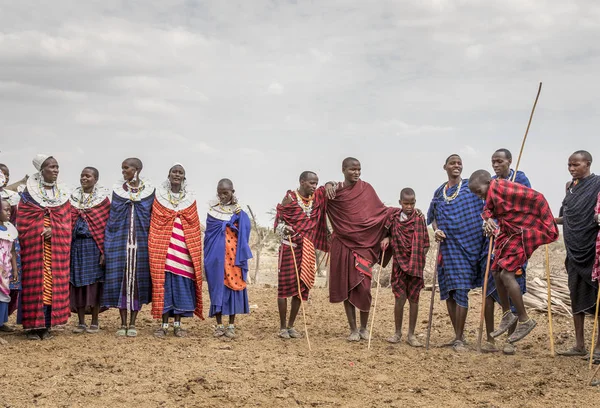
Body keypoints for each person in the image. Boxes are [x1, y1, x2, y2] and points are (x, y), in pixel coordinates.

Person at [469, 169, 558, 344]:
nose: (479, 196)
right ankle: (507, 314)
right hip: (509, 233)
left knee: (506, 274)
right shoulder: (492, 194)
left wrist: (547, 222)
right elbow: (487, 208)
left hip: (522, 233)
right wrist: (488, 219)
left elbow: (538, 197)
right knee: (495, 271)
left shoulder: (504, 187)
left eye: (479, 192)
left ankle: (525, 319)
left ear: (488, 182)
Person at [325, 157, 395, 342]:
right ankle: (353, 329)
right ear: (343, 170)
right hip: (342, 245)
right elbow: (317, 201)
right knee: (346, 287)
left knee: (364, 287)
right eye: (352, 169)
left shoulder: (367, 189)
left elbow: (381, 212)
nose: (356, 172)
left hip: (364, 246)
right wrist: (327, 184)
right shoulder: (334, 192)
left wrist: (388, 234)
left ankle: (364, 328)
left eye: (359, 169)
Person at [426, 154, 487, 352]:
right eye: (453, 163)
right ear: (445, 166)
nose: (457, 166)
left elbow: (488, 205)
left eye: (460, 163)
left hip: (470, 246)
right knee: (450, 291)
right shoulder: (439, 192)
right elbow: (433, 217)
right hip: (448, 246)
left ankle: (460, 337)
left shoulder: (471, 187)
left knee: (461, 290)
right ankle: (457, 335)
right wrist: (437, 230)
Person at [17, 154, 72, 340]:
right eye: (51, 167)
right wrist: (40, 228)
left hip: (55, 250)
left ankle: (47, 325)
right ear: (41, 171)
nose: (55, 170)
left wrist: (54, 229)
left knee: (52, 285)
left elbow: (66, 221)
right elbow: (23, 221)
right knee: (35, 283)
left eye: (57, 167)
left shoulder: (62, 195)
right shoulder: (28, 195)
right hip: (35, 249)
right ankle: (32, 327)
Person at [483, 148, 532, 354]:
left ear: (510, 161)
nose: (496, 165)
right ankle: (492, 335)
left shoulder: (519, 178)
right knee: (493, 281)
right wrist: (487, 221)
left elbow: (528, 205)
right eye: (493, 161)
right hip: (497, 241)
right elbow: (488, 209)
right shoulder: (492, 183)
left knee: (512, 283)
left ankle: (510, 341)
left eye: (500, 161)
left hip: (516, 240)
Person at [149, 164, 203, 338]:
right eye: (174, 172)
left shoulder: (190, 199)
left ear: (184, 177)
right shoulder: (159, 197)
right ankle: (164, 325)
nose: (177, 175)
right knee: (163, 286)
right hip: (163, 249)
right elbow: (155, 221)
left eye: (180, 173)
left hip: (183, 251)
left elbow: (194, 224)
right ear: (169, 175)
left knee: (181, 286)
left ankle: (178, 325)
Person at [102, 158, 155, 337]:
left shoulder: (149, 193)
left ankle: (133, 322)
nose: (123, 171)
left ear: (137, 169)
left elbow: (150, 218)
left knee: (137, 283)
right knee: (122, 282)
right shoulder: (118, 192)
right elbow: (113, 219)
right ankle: (123, 322)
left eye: (126, 168)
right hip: (121, 244)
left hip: (141, 245)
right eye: (122, 168)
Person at [555, 150, 600, 358]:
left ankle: (598, 347)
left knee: (598, 296)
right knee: (575, 294)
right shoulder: (569, 187)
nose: (572, 169)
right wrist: (550, 220)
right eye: (569, 165)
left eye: (576, 165)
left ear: (588, 164)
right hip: (573, 249)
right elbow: (566, 217)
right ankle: (579, 344)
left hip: (593, 250)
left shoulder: (598, 184)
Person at [274, 171, 329, 339]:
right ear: (302, 182)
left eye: (316, 183)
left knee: (301, 287)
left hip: (307, 249)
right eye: (311, 183)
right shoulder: (289, 199)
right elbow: (277, 225)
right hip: (289, 247)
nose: (314, 186)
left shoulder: (316, 201)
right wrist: (285, 229)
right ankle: (283, 327)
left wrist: (330, 184)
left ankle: (291, 325)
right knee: (284, 288)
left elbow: (328, 190)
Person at [380, 188, 429, 347]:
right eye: (406, 203)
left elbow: (426, 243)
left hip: (415, 265)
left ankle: (411, 335)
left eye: (412, 203)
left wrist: (419, 258)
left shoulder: (420, 219)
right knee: (399, 298)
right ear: (400, 202)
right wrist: (387, 238)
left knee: (414, 299)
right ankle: (397, 333)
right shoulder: (394, 218)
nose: (409, 206)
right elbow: (385, 232)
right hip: (399, 265)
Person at [204, 179, 252, 339]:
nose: (223, 196)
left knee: (233, 289)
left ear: (232, 192)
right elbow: (210, 234)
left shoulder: (238, 212)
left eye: (226, 192)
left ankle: (231, 325)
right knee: (217, 288)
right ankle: (218, 325)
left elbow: (245, 230)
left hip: (234, 259)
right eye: (220, 192)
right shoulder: (212, 211)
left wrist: (240, 216)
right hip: (216, 258)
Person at [69, 167, 111, 334]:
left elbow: (106, 227)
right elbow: (67, 221)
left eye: (88, 176)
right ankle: (80, 322)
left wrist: (103, 252)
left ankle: (94, 320)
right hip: (76, 247)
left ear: (96, 179)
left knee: (95, 284)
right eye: (82, 175)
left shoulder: (102, 201)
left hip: (94, 247)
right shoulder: (71, 198)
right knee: (77, 283)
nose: (84, 178)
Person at [0, 164, 22, 317]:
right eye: (2, 175)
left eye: (7, 175)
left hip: (11, 240)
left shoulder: (12, 196)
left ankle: (4, 318)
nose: (5, 178)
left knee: (11, 283)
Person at [0, 196, 18, 334]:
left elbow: (12, 250)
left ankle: (2, 323)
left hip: (6, 270)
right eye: (5, 210)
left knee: (5, 295)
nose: (9, 213)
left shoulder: (10, 229)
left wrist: (15, 269)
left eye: (9, 210)